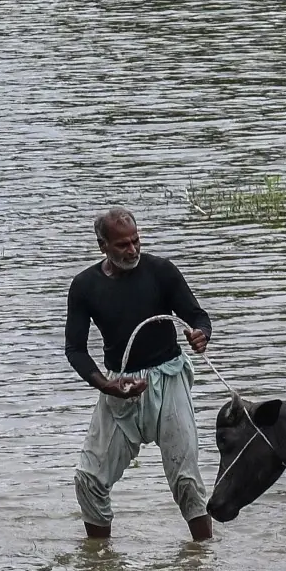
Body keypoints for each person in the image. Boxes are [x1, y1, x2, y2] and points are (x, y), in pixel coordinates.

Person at [65, 209, 214, 541]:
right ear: (102, 245)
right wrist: (107, 385)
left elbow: (196, 315)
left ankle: (205, 559)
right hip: (119, 385)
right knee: (88, 479)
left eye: (136, 241)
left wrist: (201, 334)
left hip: (169, 380)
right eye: (122, 245)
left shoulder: (161, 271)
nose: (132, 250)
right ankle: (99, 556)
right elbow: (75, 349)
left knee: (186, 480)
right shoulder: (85, 286)